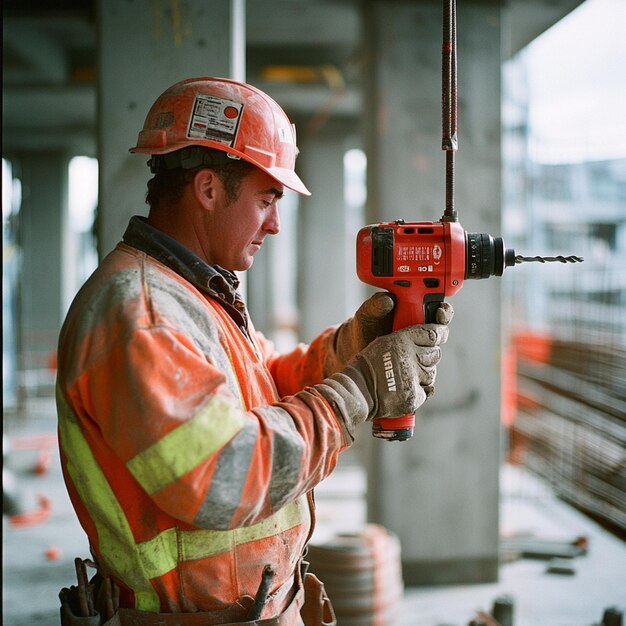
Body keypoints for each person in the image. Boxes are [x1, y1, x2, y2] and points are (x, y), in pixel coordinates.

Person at [56, 77, 453, 626]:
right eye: (267, 199)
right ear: (209, 189)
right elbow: (226, 476)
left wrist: (356, 347)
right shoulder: (139, 315)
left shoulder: (189, 293)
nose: (275, 223)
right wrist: (359, 389)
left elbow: (265, 381)